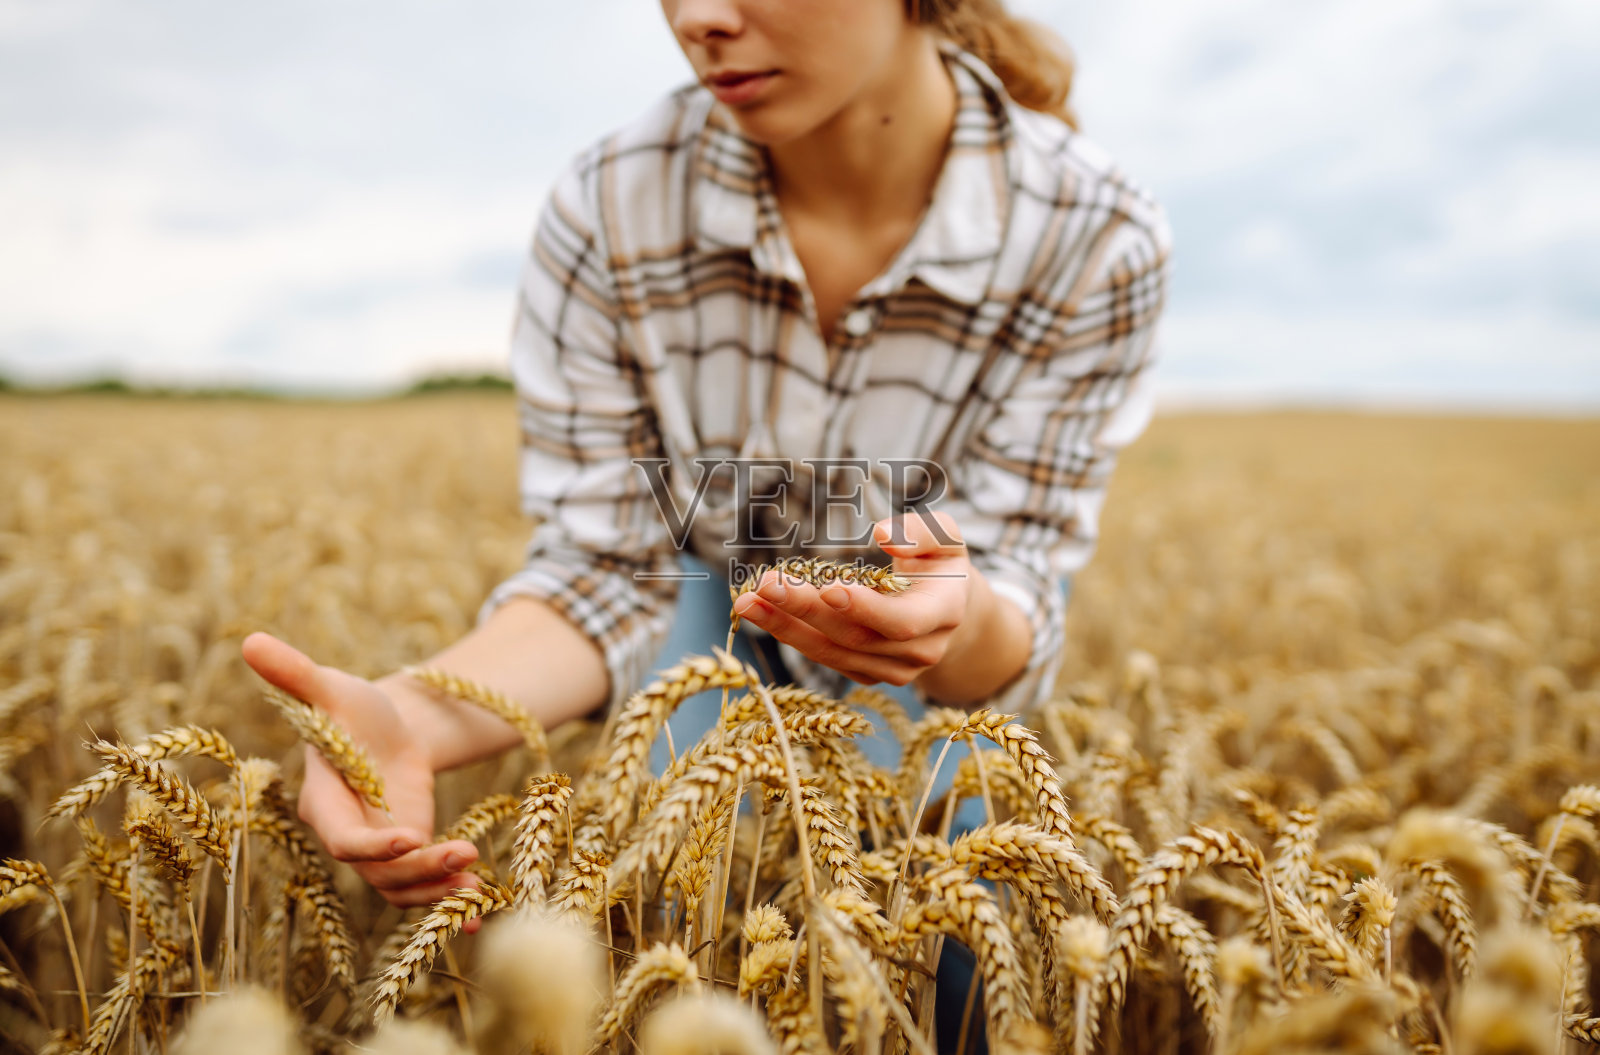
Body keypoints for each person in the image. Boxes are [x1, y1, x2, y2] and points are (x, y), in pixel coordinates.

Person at [242, 0, 1170, 920]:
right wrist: (411, 719)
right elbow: (607, 568)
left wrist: (952, 622)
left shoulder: (1095, 236)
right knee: (675, 896)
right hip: (705, 597)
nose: (699, 19)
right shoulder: (610, 203)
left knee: (951, 918)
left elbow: (1012, 581)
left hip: (940, 668)